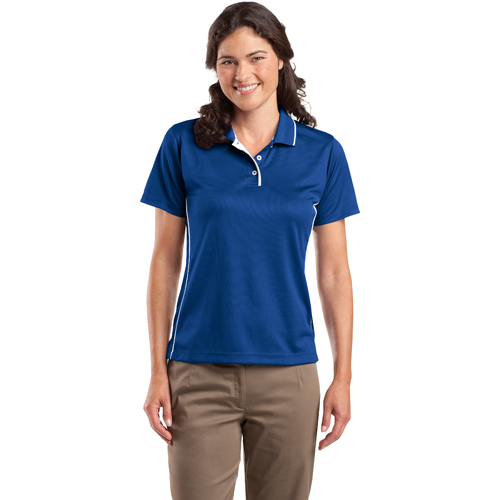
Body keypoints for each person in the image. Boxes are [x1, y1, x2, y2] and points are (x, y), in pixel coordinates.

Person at [140, 2, 360, 499]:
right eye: (228, 61)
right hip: (197, 372)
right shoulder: (183, 144)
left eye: (256, 57)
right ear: (215, 69)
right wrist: (157, 370)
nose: (242, 74)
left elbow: (334, 273)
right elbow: (164, 262)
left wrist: (343, 377)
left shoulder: (323, 153)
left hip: (290, 376)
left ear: (280, 59)